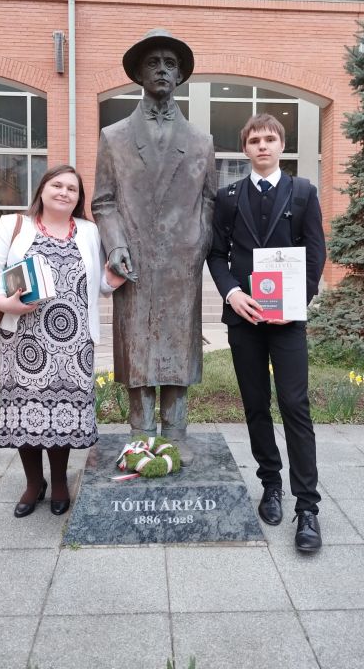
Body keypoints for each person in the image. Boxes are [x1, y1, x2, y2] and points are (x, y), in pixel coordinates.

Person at [92, 29, 216, 459]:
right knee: (138, 349)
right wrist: (115, 246)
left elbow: (209, 201)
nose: (162, 69)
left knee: (179, 347)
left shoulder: (201, 141)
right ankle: (141, 434)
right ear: (138, 74)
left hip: (182, 264)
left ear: (179, 75)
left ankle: (176, 434)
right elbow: (103, 201)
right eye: (153, 63)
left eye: (170, 63)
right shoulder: (114, 136)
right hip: (135, 260)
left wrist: (199, 244)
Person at [207, 113, 326, 552]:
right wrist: (232, 293)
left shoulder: (303, 192)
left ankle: (307, 507)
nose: (262, 145)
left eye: (269, 139)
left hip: (287, 322)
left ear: (281, 145)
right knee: (256, 405)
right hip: (245, 318)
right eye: (254, 139)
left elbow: (315, 254)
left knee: (295, 405)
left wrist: (296, 303)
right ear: (245, 148)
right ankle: (270, 485)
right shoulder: (228, 197)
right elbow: (216, 254)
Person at [0, 165, 124, 518]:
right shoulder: (14, 225)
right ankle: (33, 483)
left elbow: (98, 285)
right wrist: (2, 302)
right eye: (57, 185)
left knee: (64, 414)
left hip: (74, 343)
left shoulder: (89, 231)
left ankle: (58, 482)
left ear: (79, 198)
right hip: (24, 339)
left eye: (72, 189)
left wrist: (113, 278)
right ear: (42, 190)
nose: (64, 192)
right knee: (26, 411)